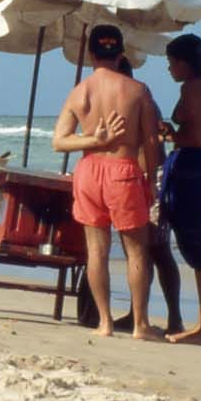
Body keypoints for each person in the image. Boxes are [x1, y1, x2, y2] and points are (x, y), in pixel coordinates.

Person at [53, 26, 159, 340]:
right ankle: (140, 324)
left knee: (96, 251)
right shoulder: (137, 90)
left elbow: (59, 141)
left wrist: (93, 140)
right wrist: (151, 180)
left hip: (88, 172)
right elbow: (151, 142)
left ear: (90, 54)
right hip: (123, 171)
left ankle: (105, 322)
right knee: (136, 252)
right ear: (121, 54)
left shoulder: (79, 92)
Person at [160, 33, 201, 346]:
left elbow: (190, 135)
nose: (169, 68)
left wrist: (171, 134)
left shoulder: (191, 88)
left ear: (184, 63)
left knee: (196, 250)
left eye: (171, 62)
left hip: (191, 170)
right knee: (200, 248)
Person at [111, 56, 184, 336]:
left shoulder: (141, 99)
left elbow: (150, 142)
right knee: (138, 249)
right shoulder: (129, 99)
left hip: (151, 177)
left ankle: (174, 318)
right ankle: (137, 313)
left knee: (158, 249)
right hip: (135, 177)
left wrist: (151, 181)